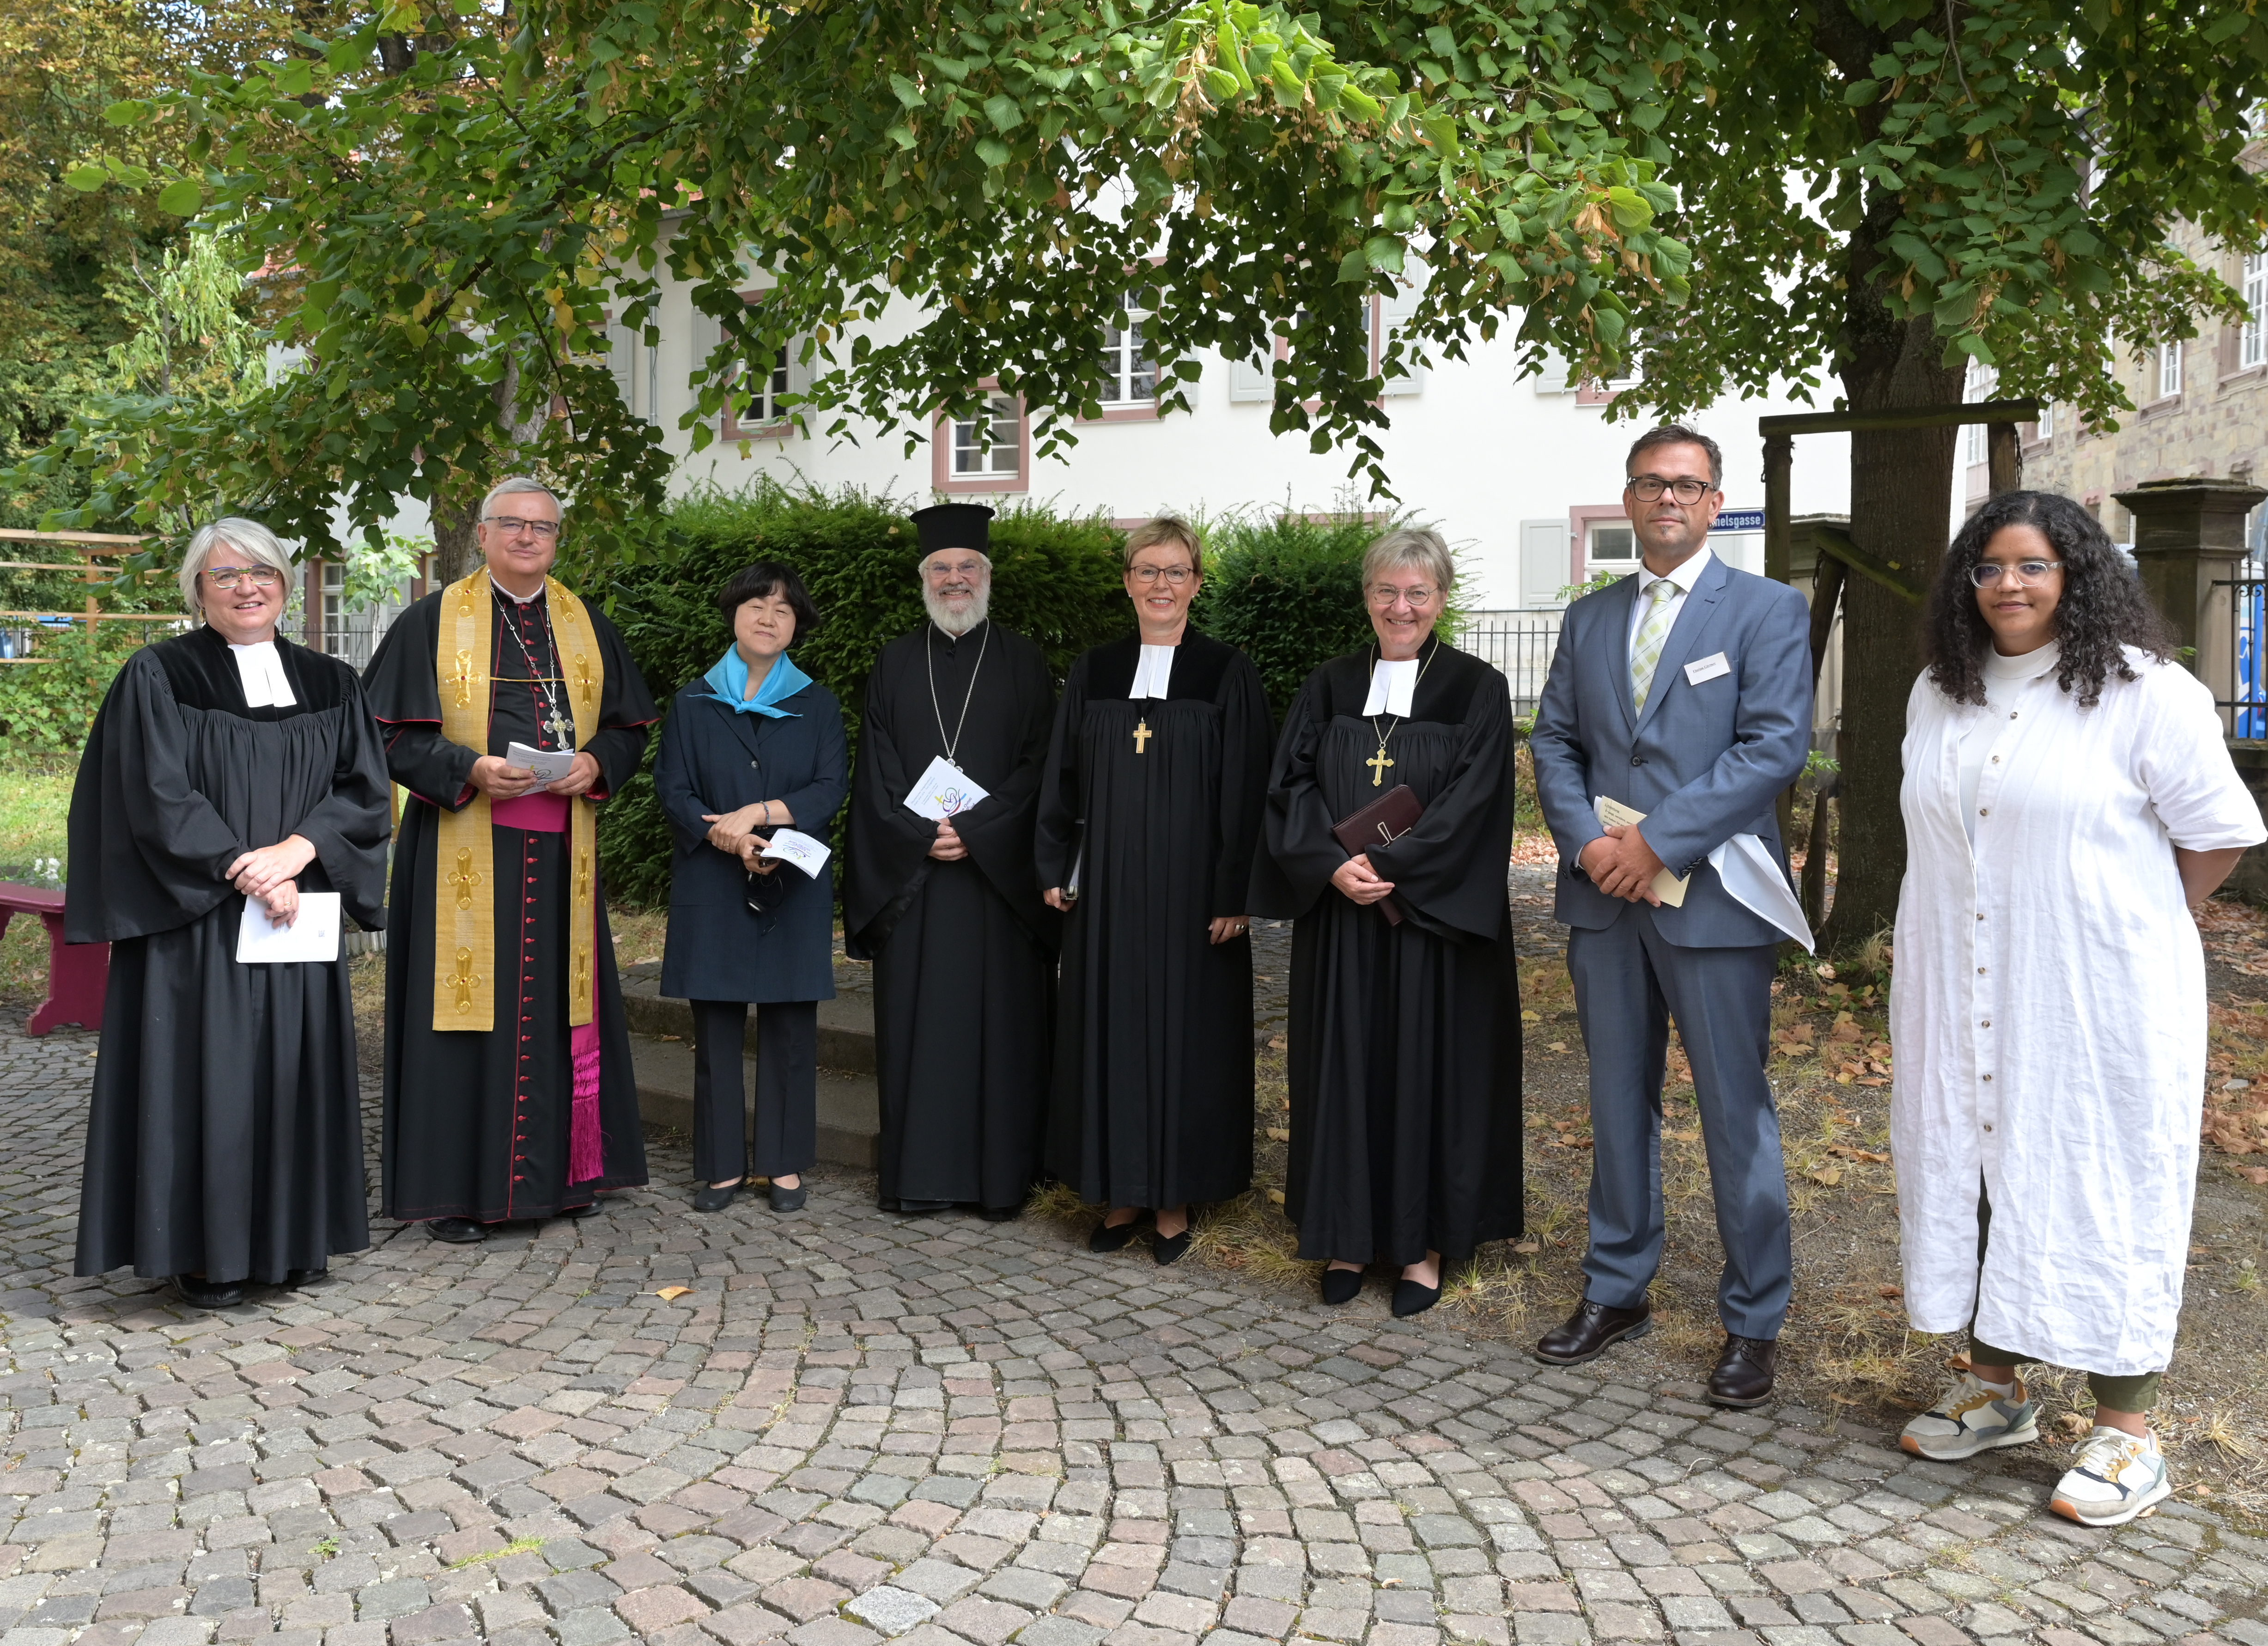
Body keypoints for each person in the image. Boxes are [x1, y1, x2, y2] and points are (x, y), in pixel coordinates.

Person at [1888, 489, 2261, 1524]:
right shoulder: (1939, 690)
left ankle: (2127, 1431)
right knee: (1980, 1172)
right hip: (1958, 980)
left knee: (2102, 1181)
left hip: (2094, 991)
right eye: (1990, 566)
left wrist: (2138, 919)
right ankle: (1996, 1389)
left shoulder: (2147, 693)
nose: (2008, 584)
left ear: (2077, 575)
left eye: (2032, 565)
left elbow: (2217, 830)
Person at [1528, 424, 1813, 1406]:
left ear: (1714, 498)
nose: (1668, 500)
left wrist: (1657, 841)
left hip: (1716, 899)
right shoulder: (1590, 615)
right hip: (1605, 898)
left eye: (1687, 485)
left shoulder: (1768, 610)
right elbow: (1554, 739)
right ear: (1628, 496)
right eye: (1651, 483)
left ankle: (1753, 1317)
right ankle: (1616, 1287)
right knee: (1616, 1099)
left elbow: (1773, 747)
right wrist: (1590, 843)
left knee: (1735, 1109)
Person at [68, 517, 393, 1307]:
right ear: (197, 590)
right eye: (225, 575)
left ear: (284, 581)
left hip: (296, 905)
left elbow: (362, 789)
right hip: (199, 917)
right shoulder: (160, 675)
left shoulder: (331, 680)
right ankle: (205, 1254)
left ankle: (292, 1240)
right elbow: (154, 792)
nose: (247, 586)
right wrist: (242, 866)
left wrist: (296, 852)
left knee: (294, 1069)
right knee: (206, 1075)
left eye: (262, 572)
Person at [364, 477, 659, 1242]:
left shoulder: (585, 626)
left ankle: (562, 1178)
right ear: (485, 534)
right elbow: (387, 735)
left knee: (563, 1014)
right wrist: (466, 768)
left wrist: (597, 764)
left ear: (557, 540)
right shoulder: (429, 621)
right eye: (513, 525)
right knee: (464, 1024)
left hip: (565, 857)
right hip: (465, 848)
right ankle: (456, 1192)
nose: (528, 538)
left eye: (544, 528)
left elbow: (630, 730)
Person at [1252, 528, 1522, 1317]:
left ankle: (1421, 1246)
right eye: (1385, 591)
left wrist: (1393, 868)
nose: (1399, 607)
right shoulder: (1329, 684)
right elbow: (1289, 785)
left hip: (1431, 928)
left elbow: (1477, 802)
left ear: (1440, 600)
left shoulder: (1475, 687)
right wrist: (1328, 864)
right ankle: (1345, 1234)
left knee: (1426, 1072)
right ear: (1366, 597)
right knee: (1343, 1068)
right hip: (1343, 920)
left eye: (1417, 593)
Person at [1035, 516, 1271, 1262]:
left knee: (1186, 1039)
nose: (1161, 585)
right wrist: (1054, 866)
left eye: (1176, 572)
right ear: (1127, 581)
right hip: (1105, 895)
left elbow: (1247, 788)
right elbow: (1061, 780)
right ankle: (1120, 1190)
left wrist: (1235, 891)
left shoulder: (1226, 671)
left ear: (1197, 583)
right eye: (1147, 570)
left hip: (1192, 898)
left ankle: (1174, 1197)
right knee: (1110, 1032)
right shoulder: (1094, 671)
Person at [844, 505, 1059, 1218]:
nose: (955, 578)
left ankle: (1002, 1182)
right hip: (918, 886)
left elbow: (1043, 769)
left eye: (968, 566)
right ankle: (918, 1177)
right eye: (941, 567)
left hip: (999, 888)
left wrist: (981, 830)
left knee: (1005, 1033)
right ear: (924, 579)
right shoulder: (893, 660)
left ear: (988, 577)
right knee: (919, 1030)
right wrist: (919, 834)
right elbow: (873, 770)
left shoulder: (1025, 660)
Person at [653, 561, 848, 1213]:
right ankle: (720, 1166)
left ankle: (784, 1165)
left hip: (793, 879)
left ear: (797, 626)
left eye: (784, 610)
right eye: (758, 606)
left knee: (791, 1028)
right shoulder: (692, 700)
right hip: (714, 879)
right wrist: (730, 838)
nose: (769, 618)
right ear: (734, 614)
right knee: (715, 1032)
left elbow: (827, 789)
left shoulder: (816, 703)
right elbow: (674, 790)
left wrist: (759, 814)